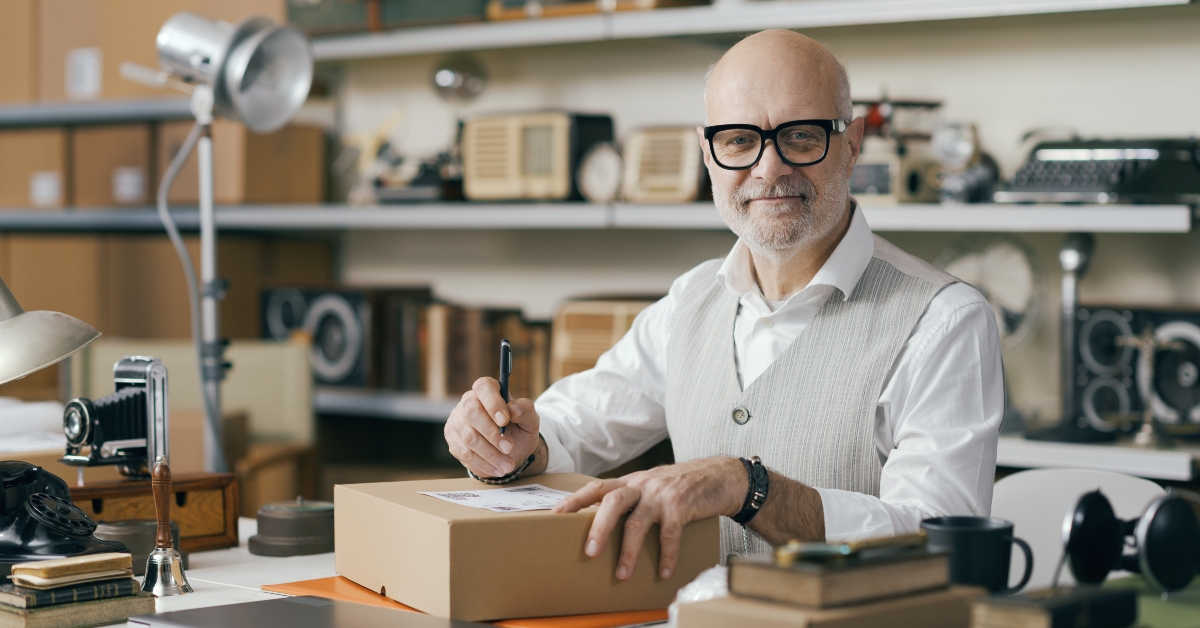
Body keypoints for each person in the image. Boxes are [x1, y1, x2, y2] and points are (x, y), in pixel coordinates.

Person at [443, 29, 1002, 583]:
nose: (769, 168)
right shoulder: (693, 297)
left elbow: (938, 545)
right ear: (708, 152)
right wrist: (516, 445)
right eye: (738, 140)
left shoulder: (944, 321)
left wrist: (748, 487)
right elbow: (579, 422)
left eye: (801, 136)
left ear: (852, 144)